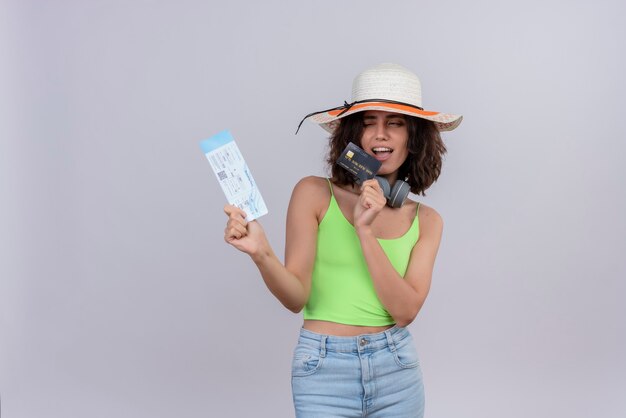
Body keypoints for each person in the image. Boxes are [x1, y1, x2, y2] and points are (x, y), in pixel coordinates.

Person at [223, 63, 462, 417]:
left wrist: (364, 230)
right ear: (353, 135)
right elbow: (295, 299)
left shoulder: (427, 221)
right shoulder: (313, 194)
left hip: (396, 367)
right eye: (368, 123)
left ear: (414, 138)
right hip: (323, 369)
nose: (380, 135)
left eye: (394, 123)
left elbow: (406, 311)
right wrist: (261, 254)